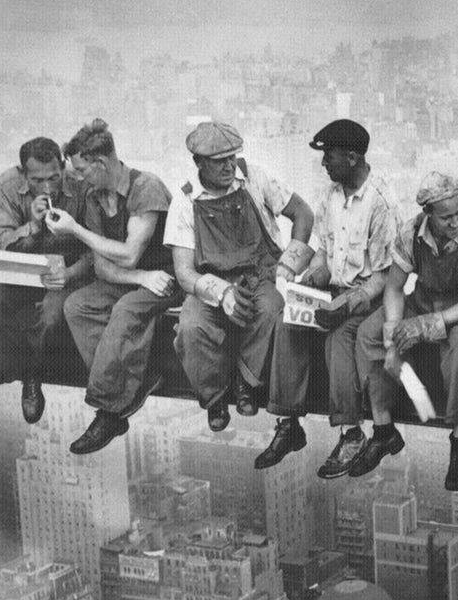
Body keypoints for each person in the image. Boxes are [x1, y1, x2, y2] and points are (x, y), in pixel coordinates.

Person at [254, 118, 398, 476]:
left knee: (339, 337)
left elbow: (385, 274)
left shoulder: (381, 203)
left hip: (366, 300)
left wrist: (349, 303)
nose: (324, 164)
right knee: (289, 324)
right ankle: (288, 424)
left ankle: (351, 433)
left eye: (329, 156)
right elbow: (322, 250)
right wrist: (310, 277)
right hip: (333, 292)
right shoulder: (331, 196)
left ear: (351, 158)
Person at [163, 120, 313, 436]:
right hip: (211, 282)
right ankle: (215, 396)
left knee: (272, 310)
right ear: (199, 163)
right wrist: (221, 294)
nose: (229, 166)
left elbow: (304, 214)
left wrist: (287, 266)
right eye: (219, 162)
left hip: (260, 275)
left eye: (232, 158)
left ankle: (246, 380)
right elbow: (184, 272)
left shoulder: (255, 178)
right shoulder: (185, 200)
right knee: (191, 326)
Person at [350, 170, 458, 491]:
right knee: (368, 334)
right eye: (446, 218)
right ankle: (384, 428)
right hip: (423, 298)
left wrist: (423, 327)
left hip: (457, 311)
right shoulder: (411, 232)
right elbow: (394, 289)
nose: (455, 222)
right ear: (428, 214)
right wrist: (392, 340)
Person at [48, 119, 177, 455]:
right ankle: (135, 382)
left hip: (166, 277)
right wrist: (138, 279)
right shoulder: (94, 196)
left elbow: (130, 253)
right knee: (77, 305)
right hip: (136, 279)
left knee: (125, 310)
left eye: (81, 169)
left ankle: (108, 411)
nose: (77, 177)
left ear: (101, 163)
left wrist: (75, 229)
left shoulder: (145, 187)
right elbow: (103, 265)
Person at [0, 135, 92, 424]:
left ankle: (27, 374)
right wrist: (32, 226)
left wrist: (70, 273)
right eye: (37, 180)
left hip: (65, 270)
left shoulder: (81, 185)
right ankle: (16, 364)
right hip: (20, 268)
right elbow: (0, 241)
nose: (47, 187)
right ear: (23, 174)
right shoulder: (7, 185)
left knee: (53, 316)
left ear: (63, 167)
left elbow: (94, 247)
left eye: (54, 178)